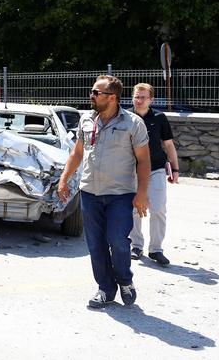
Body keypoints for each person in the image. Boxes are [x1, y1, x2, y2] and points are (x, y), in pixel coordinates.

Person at [58, 75, 150, 308]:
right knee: (96, 244)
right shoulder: (86, 120)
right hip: (90, 191)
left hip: (121, 193)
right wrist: (64, 179)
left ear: (112, 97)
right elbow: (77, 153)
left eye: (96, 92)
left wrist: (142, 193)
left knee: (118, 240)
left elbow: (143, 160)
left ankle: (125, 281)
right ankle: (105, 289)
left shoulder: (132, 123)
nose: (91, 95)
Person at [129, 83, 179, 266]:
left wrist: (175, 169)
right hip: (131, 171)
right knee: (134, 209)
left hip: (156, 168)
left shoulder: (159, 117)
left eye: (143, 97)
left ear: (151, 99)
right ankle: (136, 245)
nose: (139, 100)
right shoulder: (125, 117)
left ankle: (156, 249)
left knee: (158, 208)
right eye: (136, 96)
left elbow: (169, 145)